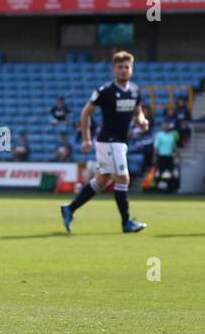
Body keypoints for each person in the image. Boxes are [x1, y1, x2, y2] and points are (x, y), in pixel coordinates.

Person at [60, 50, 148, 233]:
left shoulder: (135, 90)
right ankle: (126, 223)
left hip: (121, 142)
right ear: (113, 69)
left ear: (132, 69)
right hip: (109, 141)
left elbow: (138, 110)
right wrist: (86, 139)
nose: (123, 70)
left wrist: (141, 119)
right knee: (123, 178)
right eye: (120, 67)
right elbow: (85, 113)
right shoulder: (105, 91)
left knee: (102, 181)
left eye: (127, 67)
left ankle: (69, 208)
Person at [152, 119, 180, 192]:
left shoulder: (172, 135)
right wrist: (154, 157)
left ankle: (169, 188)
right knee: (159, 173)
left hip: (169, 157)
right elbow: (156, 147)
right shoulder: (159, 135)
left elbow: (174, 147)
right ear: (162, 126)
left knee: (171, 173)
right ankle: (158, 188)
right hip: (161, 157)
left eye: (167, 125)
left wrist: (178, 156)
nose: (166, 126)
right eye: (164, 125)